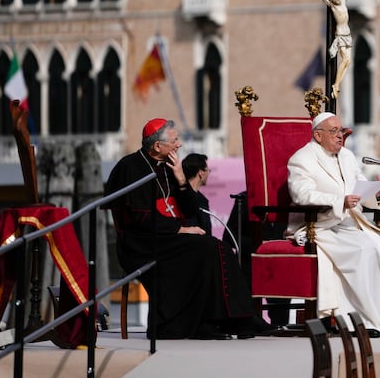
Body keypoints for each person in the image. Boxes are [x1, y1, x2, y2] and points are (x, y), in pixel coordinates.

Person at [105, 118, 270, 340]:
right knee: (206, 247)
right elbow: (139, 218)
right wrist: (180, 230)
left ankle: (228, 319)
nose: (179, 144)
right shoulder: (130, 167)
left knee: (213, 248)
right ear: (157, 146)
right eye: (174, 140)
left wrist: (182, 181)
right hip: (140, 242)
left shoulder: (170, 168)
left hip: (166, 236)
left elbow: (192, 210)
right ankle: (206, 323)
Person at [286, 112, 380, 336]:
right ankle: (365, 322)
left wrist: (375, 193)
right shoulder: (301, 159)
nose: (340, 136)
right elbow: (302, 195)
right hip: (321, 226)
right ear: (318, 135)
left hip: (350, 224)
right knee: (364, 251)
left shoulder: (347, 156)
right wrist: (339, 201)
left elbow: (360, 185)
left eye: (341, 130)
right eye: (334, 131)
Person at [304, 0, 367, 99]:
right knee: (344, 59)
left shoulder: (343, 1)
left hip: (348, 35)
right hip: (340, 35)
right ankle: (336, 85)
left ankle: (337, 84)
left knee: (348, 61)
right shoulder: (332, 6)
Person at [181, 153, 212, 235]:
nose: (209, 173)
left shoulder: (203, 200)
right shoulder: (182, 196)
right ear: (201, 173)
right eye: (208, 170)